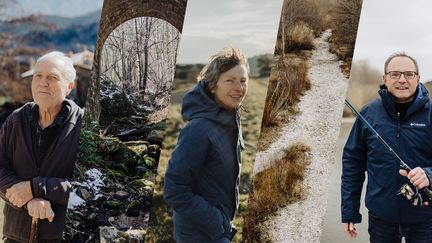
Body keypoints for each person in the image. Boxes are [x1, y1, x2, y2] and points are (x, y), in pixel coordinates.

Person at [341, 52, 432, 242]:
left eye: (408, 74)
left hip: (426, 218)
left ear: (417, 78)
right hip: (380, 219)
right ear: (385, 78)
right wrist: (350, 211)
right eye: (395, 74)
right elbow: (352, 164)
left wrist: (428, 174)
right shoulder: (368, 113)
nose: (402, 80)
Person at [163, 47, 248, 243]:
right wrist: (216, 222)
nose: (239, 88)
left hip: (217, 228)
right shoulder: (199, 128)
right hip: (198, 234)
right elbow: (174, 190)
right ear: (212, 86)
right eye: (230, 80)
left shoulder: (231, 120)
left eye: (243, 81)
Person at [0, 51, 83, 242]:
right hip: (15, 236)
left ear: (69, 86)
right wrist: (29, 199)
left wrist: (36, 188)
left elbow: (89, 188)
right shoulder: (15, 120)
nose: (42, 83)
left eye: (52, 77)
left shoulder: (83, 127)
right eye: (38, 76)